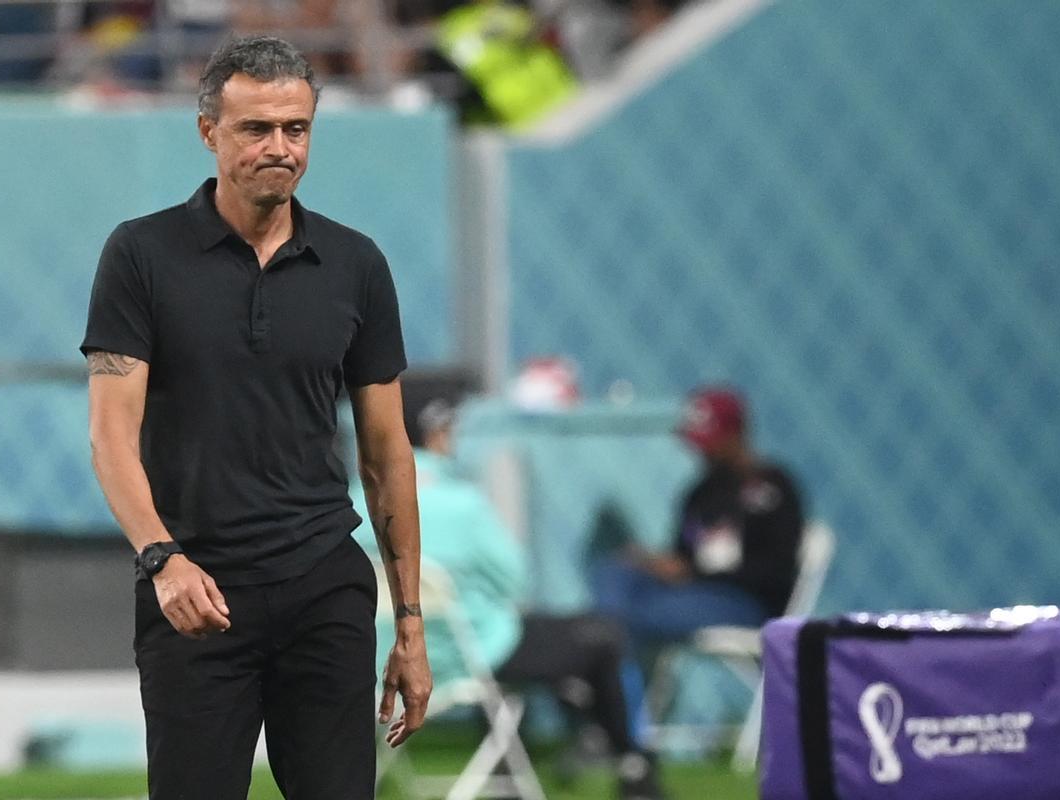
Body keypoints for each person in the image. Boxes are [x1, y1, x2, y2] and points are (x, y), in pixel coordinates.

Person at [81, 35, 431, 800]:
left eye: (296, 129)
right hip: (194, 592)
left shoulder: (357, 265)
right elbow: (112, 437)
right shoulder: (140, 255)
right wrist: (161, 559)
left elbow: (387, 454)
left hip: (324, 585)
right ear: (209, 132)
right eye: (256, 129)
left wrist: (409, 622)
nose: (280, 147)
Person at [356, 393, 668, 800]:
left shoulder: (358, 499)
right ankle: (632, 765)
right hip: (473, 653)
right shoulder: (462, 504)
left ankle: (528, 754)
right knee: (601, 638)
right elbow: (514, 579)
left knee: (557, 646)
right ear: (433, 436)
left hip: (385, 658)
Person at [592, 386, 805, 644]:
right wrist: (654, 563)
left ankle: (609, 667)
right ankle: (607, 660)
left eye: (710, 442)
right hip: (689, 593)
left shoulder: (773, 487)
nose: (701, 452)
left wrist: (695, 572)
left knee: (640, 616)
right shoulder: (701, 493)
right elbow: (683, 554)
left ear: (735, 435)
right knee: (615, 574)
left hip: (744, 601)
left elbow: (776, 570)